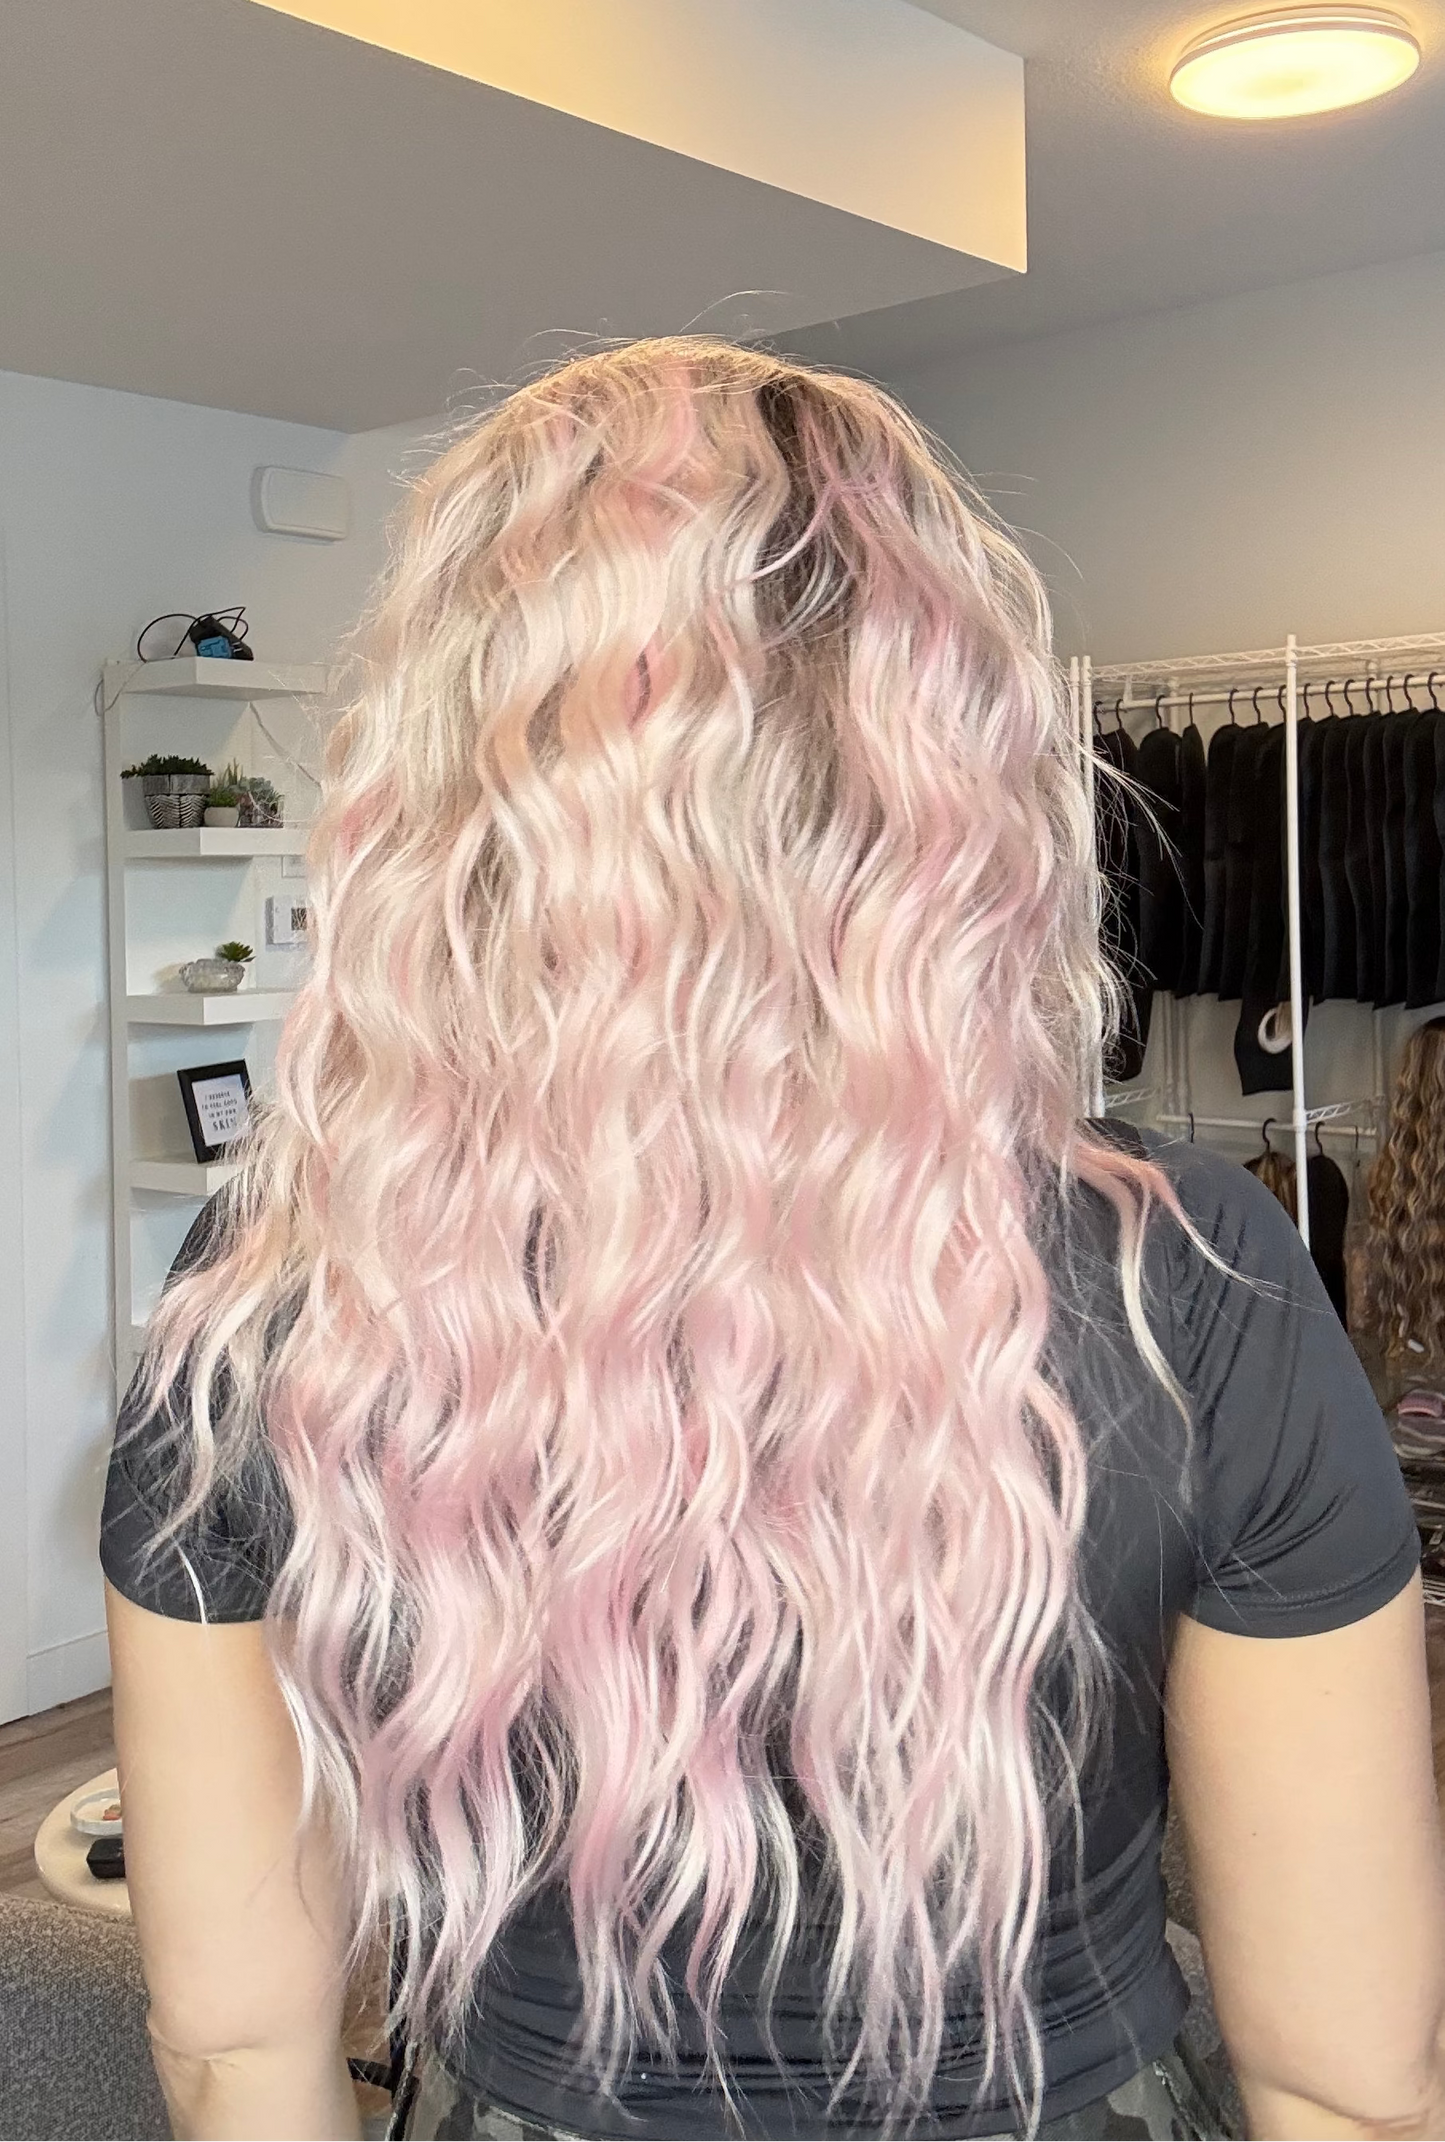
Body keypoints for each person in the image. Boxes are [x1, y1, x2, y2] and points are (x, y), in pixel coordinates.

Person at [101, 338, 1444, 2142]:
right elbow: (1348, 2074)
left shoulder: (273, 1291)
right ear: (953, 771)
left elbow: (233, 2041)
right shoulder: (1194, 1280)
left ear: (449, 786)